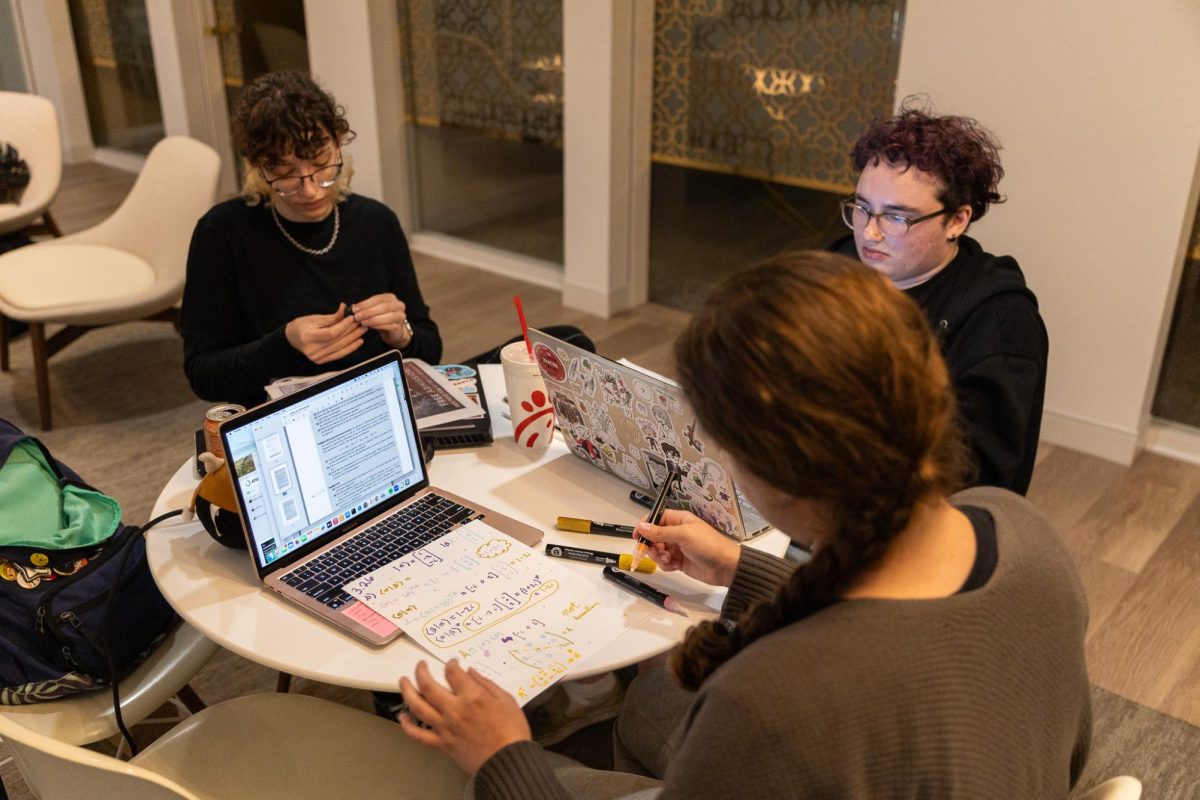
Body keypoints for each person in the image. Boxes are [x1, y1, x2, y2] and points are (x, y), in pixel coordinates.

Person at [395, 252, 1092, 798]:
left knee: (456, 781)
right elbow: (899, 630)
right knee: (650, 711)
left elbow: (843, 665)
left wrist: (503, 756)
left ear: (777, 473)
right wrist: (741, 567)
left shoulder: (767, 704)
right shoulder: (1016, 527)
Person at [180, 71, 442, 407]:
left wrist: (401, 334)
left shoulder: (376, 223)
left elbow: (430, 349)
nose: (309, 190)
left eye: (322, 166)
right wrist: (284, 344)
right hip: (279, 418)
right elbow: (203, 374)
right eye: (286, 175)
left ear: (338, 143)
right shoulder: (222, 233)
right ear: (258, 167)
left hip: (373, 406)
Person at [831, 101, 1048, 494]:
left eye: (897, 217)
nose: (869, 234)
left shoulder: (1000, 324)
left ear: (957, 220)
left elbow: (968, 480)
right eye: (862, 208)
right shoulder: (839, 263)